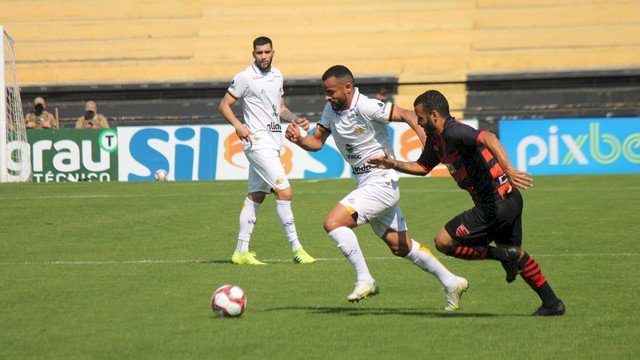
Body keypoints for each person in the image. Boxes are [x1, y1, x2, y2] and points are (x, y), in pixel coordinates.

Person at [285, 65, 468, 310]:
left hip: (381, 181)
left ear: (348, 88)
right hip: (365, 181)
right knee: (401, 246)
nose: (327, 97)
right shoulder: (331, 109)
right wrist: (298, 140)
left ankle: (365, 279)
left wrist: (428, 143)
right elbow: (316, 142)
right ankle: (452, 282)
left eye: (331, 92)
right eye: (325, 92)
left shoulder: (366, 106)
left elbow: (406, 114)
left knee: (333, 222)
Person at [368, 89, 566, 316]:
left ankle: (503, 256)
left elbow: (489, 138)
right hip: (510, 201)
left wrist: (509, 170)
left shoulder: (454, 131)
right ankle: (552, 303)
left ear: (434, 115)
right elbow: (422, 168)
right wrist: (392, 163)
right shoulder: (436, 141)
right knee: (516, 254)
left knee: (443, 241)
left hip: (494, 206)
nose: (418, 122)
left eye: (420, 117)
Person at [218, 36, 315, 265]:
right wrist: (239, 125)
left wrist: (297, 119)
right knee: (285, 192)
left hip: (273, 142)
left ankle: (241, 252)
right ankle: (297, 249)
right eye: (259, 53)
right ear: (253, 54)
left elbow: (279, 108)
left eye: (267, 52)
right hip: (257, 142)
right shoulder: (245, 77)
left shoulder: (277, 75)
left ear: (273, 52)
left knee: (256, 195)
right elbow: (224, 105)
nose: (263, 56)